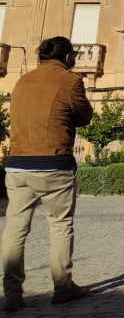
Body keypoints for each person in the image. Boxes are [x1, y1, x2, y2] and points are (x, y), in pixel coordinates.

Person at [2, 37, 93, 310]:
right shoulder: (70, 81)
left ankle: (12, 294)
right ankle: (63, 286)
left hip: (17, 164)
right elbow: (84, 116)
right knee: (60, 226)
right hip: (54, 164)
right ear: (67, 57)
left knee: (15, 230)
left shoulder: (22, 81)